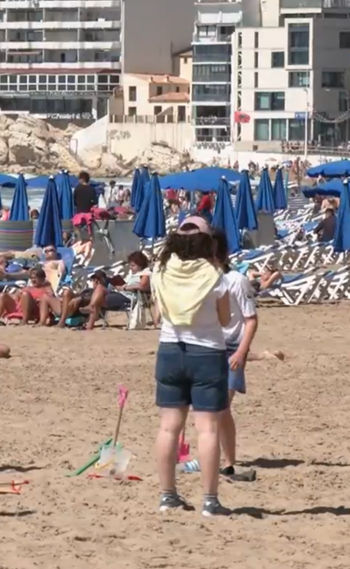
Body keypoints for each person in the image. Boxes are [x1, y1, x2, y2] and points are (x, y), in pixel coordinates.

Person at [149, 216, 231, 516]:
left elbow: (158, 315)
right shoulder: (214, 274)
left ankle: (167, 495)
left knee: (169, 427)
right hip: (207, 351)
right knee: (207, 429)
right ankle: (210, 500)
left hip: (170, 349)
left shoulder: (161, 272)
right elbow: (225, 320)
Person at [212, 230, 257, 479]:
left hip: (231, 349)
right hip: (209, 346)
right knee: (215, 408)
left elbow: (251, 320)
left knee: (221, 406)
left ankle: (227, 461)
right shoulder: (204, 280)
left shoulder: (236, 280)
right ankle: (222, 459)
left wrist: (242, 351)